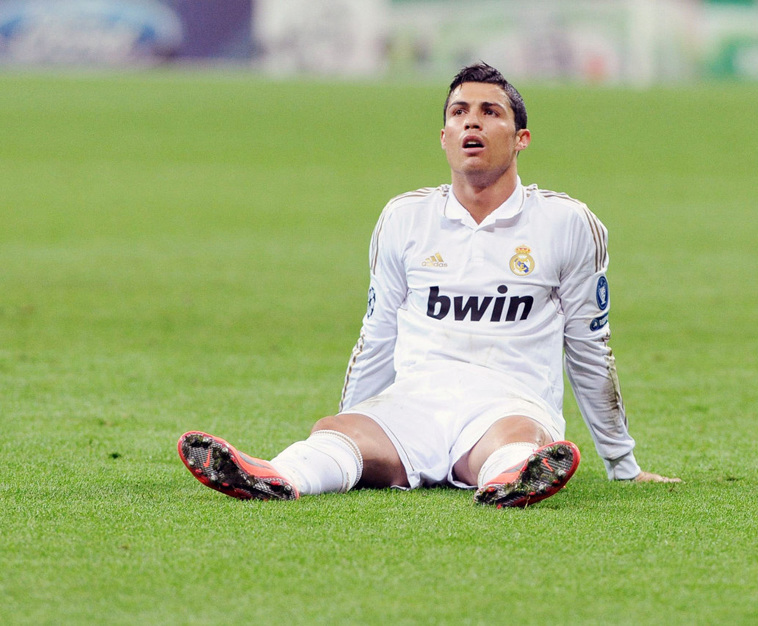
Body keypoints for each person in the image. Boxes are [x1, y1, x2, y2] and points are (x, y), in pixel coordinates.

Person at [178, 62, 679, 508]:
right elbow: (376, 335)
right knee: (336, 433)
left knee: (517, 441)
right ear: (444, 136)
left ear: (521, 138)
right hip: (414, 403)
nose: (472, 122)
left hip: (509, 403)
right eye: (460, 112)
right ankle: (276, 475)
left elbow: (590, 347)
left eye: (490, 112)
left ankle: (512, 477)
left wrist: (622, 463)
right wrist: (356, 413)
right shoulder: (404, 218)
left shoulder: (566, 223)